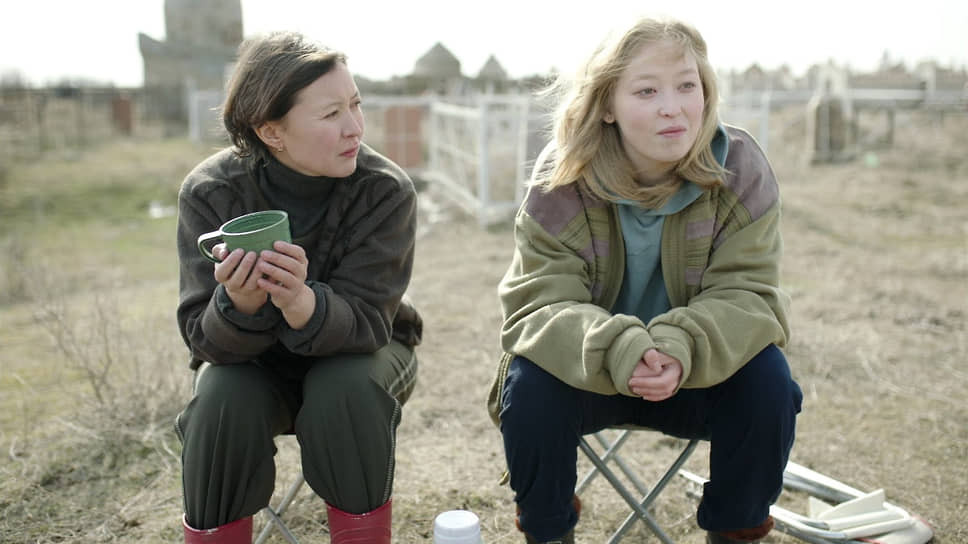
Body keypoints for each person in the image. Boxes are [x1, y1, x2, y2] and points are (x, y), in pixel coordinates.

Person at [486, 17, 802, 544]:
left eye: (687, 85)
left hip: (700, 372)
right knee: (528, 385)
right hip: (590, 372)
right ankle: (549, 532)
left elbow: (750, 297)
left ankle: (735, 530)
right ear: (607, 105)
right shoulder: (563, 176)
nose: (672, 107)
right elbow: (538, 306)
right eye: (647, 91)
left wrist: (679, 347)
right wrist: (621, 349)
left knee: (769, 382)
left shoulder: (740, 168)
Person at [174, 31, 421, 544]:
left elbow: (370, 323)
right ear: (271, 131)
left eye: (356, 105)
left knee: (343, 390)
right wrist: (238, 304)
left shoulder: (383, 189)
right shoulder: (211, 192)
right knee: (220, 397)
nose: (355, 127)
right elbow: (202, 342)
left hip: (365, 353)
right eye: (331, 114)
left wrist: (303, 303)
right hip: (254, 367)